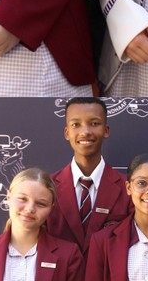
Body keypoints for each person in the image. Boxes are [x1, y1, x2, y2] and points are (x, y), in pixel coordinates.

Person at [46, 96, 131, 250]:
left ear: (106, 130)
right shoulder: (47, 187)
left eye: (94, 124)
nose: (85, 132)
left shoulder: (128, 189)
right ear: (67, 133)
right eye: (76, 124)